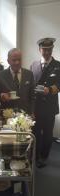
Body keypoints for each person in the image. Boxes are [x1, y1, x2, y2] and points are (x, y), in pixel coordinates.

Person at [30, 37, 60, 168]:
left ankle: (44, 156)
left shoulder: (58, 65)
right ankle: (35, 156)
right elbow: (31, 84)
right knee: (35, 132)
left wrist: (51, 89)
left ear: (52, 49)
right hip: (36, 106)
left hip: (49, 106)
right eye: (44, 50)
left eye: (49, 49)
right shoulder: (34, 65)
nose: (47, 52)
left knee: (47, 134)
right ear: (39, 50)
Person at [0, 48, 35, 115]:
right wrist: (1, 96)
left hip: (25, 116)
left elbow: (32, 96)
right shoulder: (1, 75)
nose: (17, 62)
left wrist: (32, 112)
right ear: (8, 61)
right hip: (7, 115)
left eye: (19, 60)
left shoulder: (29, 74)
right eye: (14, 60)